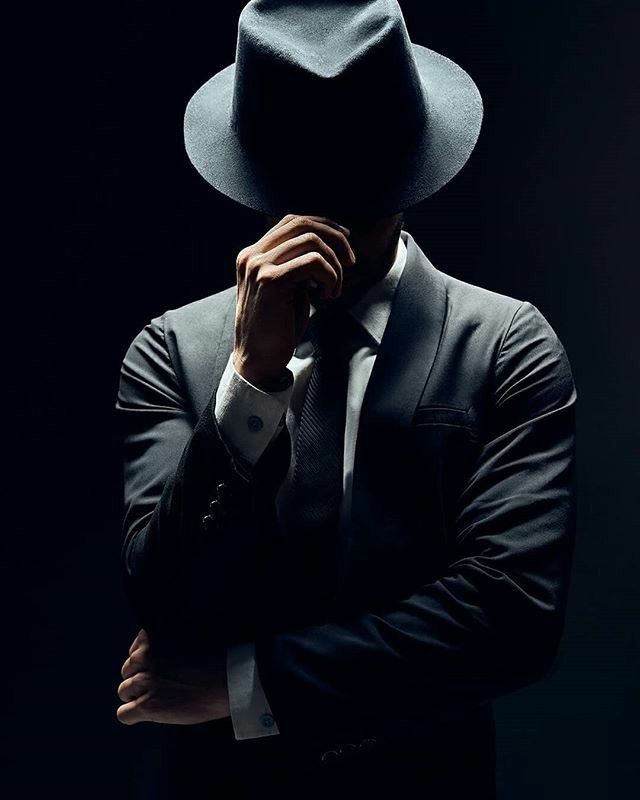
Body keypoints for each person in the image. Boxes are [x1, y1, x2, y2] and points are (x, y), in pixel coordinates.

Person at [114, 2, 577, 798]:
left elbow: (509, 619)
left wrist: (246, 685)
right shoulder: (170, 351)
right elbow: (167, 599)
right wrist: (251, 379)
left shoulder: (505, 344)